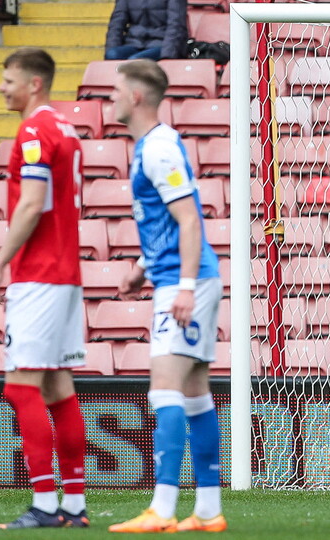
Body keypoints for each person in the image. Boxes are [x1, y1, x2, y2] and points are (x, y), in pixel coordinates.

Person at [107, 59, 226, 533]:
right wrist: (141, 267)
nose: (108, 99)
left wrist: (181, 287)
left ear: (136, 96)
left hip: (187, 281)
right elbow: (168, 219)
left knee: (164, 390)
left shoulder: (157, 149)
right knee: (195, 395)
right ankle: (208, 511)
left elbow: (190, 219)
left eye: (115, 90)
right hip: (185, 276)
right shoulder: (152, 146)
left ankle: (161, 508)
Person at [0, 47, 89, 530]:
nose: (2, 87)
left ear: (34, 84)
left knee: (20, 386)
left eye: (9, 80)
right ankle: (73, 505)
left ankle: (45, 504)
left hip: (40, 274)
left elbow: (31, 205)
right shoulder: (67, 129)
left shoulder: (33, 131)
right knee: (57, 387)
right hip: (65, 275)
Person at [104, 0, 188, 61]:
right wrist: (111, 49)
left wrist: (167, 55)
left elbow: (176, 25)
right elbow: (116, 24)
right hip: (135, 43)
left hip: (161, 44)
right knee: (112, 54)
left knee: (135, 62)